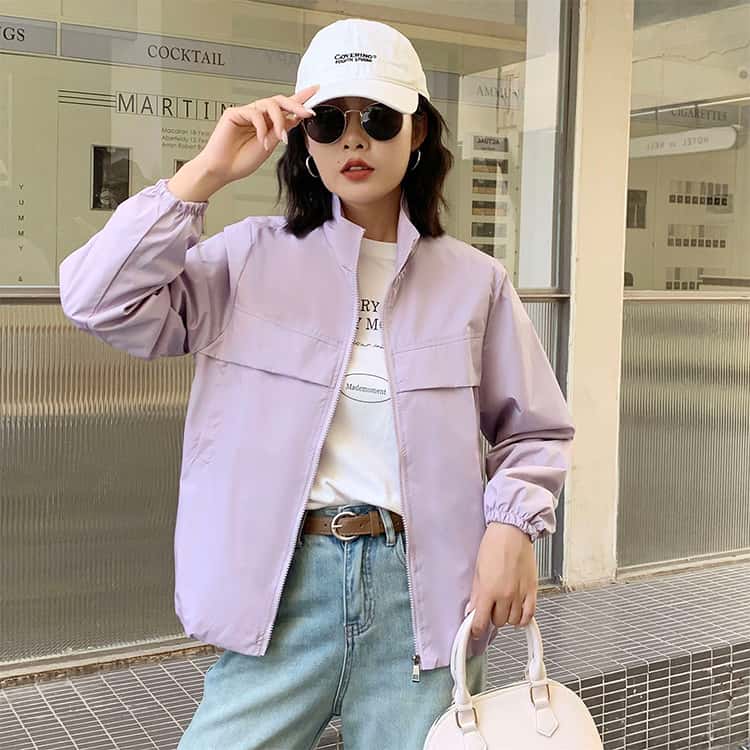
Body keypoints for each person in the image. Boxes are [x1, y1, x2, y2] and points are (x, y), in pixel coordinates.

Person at [58, 17, 575, 750]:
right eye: (329, 121)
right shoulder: (247, 258)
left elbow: (535, 430)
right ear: (303, 137)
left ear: (418, 131)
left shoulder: (475, 283)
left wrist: (511, 528)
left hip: (422, 603)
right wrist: (204, 174)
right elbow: (97, 300)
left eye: (379, 118)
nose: (353, 140)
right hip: (280, 593)